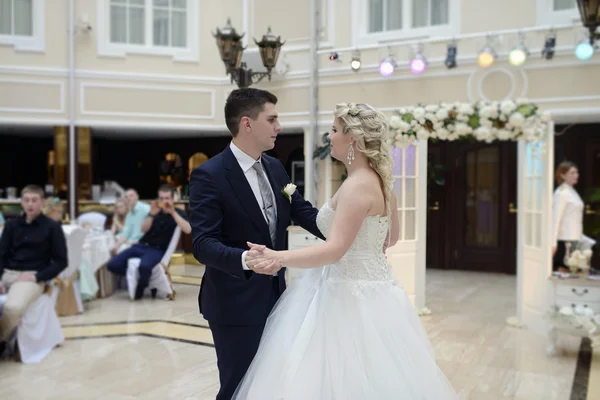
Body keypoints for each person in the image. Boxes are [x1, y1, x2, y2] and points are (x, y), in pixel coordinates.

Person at [234, 103, 457, 399]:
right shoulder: (380, 184)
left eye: (335, 130)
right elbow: (390, 240)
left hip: (346, 299)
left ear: (352, 138)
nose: (329, 136)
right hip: (374, 292)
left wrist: (278, 256)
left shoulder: (356, 187)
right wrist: (362, 251)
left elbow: (335, 250)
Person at [189, 88, 324, 400]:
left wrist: (347, 233)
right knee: (238, 388)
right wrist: (245, 259)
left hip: (277, 299)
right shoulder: (209, 175)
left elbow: (302, 211)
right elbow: (203, 243)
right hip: (234, 304)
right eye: (272, 119)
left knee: (269, 385)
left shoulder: (275, 167)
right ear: (247, 124)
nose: (279, 126)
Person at [0, 185, 68, 352]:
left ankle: (1, 340)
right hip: (7, 273)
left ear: (42, 202)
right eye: (26, 200)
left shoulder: (52, 227)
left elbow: (61, 261)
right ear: (21, 202)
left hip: (31, 277)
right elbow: (1, 256)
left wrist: (38, 277)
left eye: (34, 200)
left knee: (13, 308)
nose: (30, 204)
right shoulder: (11, 225)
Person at [107, 185, 191, 300]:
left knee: (144, 266)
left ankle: (141, 287)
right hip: (141, 245)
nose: (164, 201)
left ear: (172, 199)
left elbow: (188, 229)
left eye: (167, 198)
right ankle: (141, 278)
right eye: (161, 198)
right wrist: (151, 214)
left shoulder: (179, 213)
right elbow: (143, 229)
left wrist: (172, 212)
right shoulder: (154, 212)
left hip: (158, 249)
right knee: (113, 264)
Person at [552, 161, 584, 273]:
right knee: (564, 272)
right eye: (572, 173)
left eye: (577, 172)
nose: (576, 175)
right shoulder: (561, 193)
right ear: (562, 175)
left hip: (574, 238)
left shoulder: (572, 191)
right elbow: (555, 218)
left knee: (574, 272)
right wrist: (553, 242)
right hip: (565, 240)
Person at [111, 189, 150, 255]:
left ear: (137, 197)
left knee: (119, 253)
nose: (128, 198)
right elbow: (125, 234)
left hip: (142, 244)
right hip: (130, 242)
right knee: (111, 249)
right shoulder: (129, 215)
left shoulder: (146, 208)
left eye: (131, 195)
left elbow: (153, 229)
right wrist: (116, 246)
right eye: (126, 197)